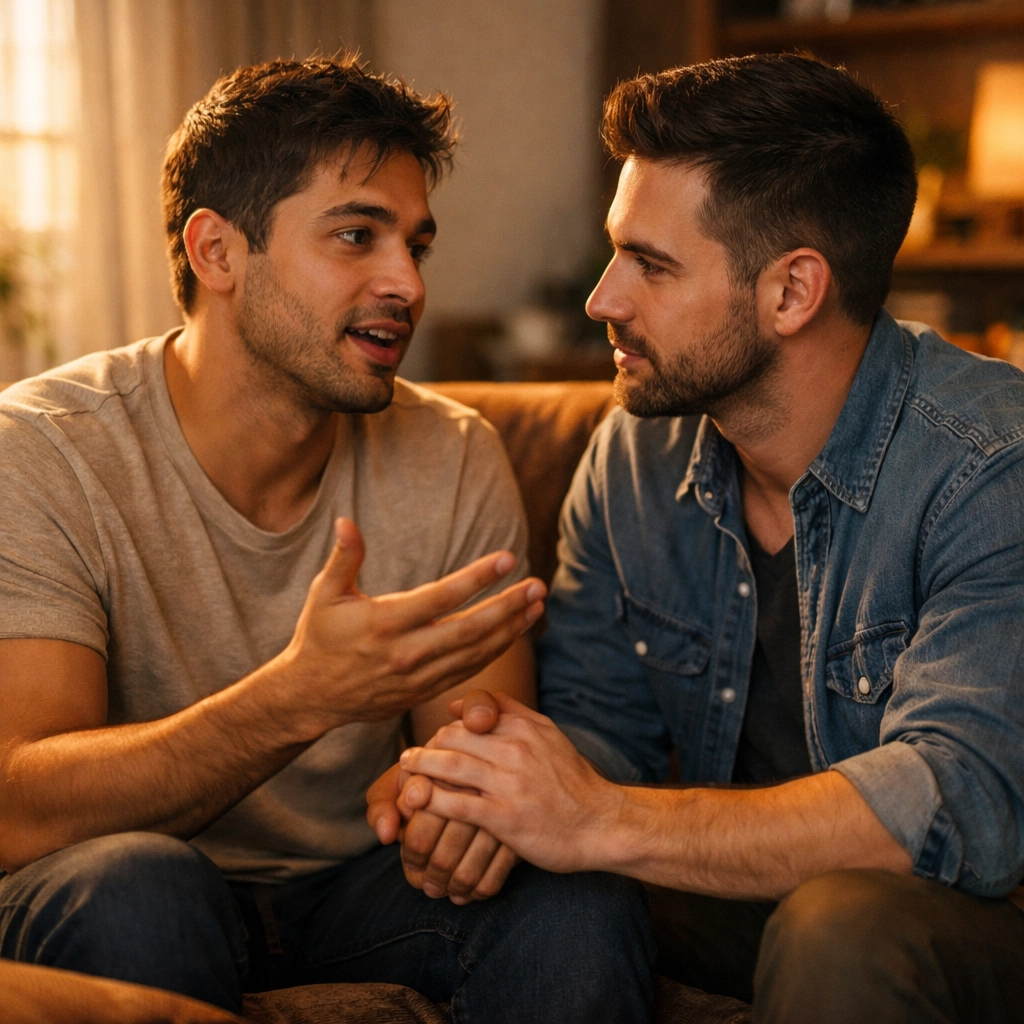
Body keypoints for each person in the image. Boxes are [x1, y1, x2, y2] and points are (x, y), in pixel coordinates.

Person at [0, 56, 654, 1023]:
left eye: (416, 246)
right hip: (123, 880)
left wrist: (452, 802)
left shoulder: (450, 454)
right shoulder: (43, 450)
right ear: (217, 252)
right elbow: (19, 806)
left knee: (574, 901)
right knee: (136, 888)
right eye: (357, 236)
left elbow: (473, 754)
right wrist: (297, 699)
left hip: (353, 884)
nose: (407, 284)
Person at [389, 54, 1024, 1023]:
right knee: (541, 895)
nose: (602, 299)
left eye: (650, 264)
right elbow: (600, 733)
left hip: (969, 915)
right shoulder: (637, 454)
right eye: (615, 253)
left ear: (792, 291)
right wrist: (479, 793)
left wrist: (600, 817)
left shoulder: (989, 466)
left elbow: (954, 802)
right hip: (737, 894)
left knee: (840, 926)